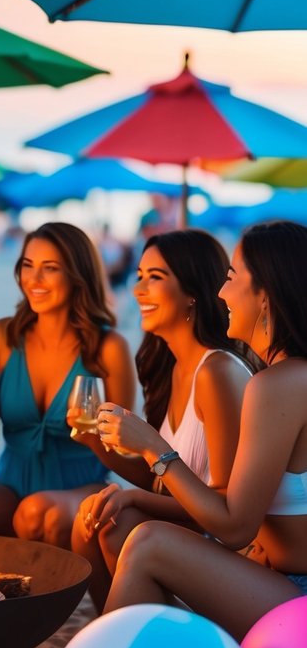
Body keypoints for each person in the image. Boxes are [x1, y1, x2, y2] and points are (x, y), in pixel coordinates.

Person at [102, 220, 307, 640]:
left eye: (232, 277)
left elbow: (233, 528)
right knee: (131, 533)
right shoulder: (286, 378)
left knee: (148, 543)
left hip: (297, 599)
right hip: (278, 578)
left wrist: (154, 448)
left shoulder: (278, 385)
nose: (220, 293)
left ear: (265, 295)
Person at [71, 230, 252, 609]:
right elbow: (164, 481)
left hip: (227, 548)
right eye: (139, 276)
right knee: (93, 519)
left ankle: (129, 637)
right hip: (191, 528)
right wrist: (94, 442)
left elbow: (223, 506)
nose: (138, 290)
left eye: (155, 277)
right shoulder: (173, 366)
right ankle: (116, 628)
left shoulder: (217, 372)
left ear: (192, 291)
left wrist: (134, 492)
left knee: (117, 520)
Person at [0, 222, 136, 539]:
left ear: (77, 276)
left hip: (79, 491)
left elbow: (125, 456)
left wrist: (93, 435)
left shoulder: (109, 348)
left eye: (49, 268)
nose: (33, 280)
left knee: (36, 512)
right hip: (10, 487)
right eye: (27, 265)